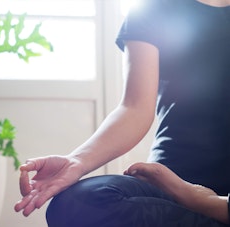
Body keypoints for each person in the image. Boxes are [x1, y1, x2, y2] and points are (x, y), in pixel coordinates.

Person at [15, 0, 230, 226]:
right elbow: (135, 107)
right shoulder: (152, 8)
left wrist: (209, 203)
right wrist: (76, 161)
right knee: (78, 204)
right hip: (171, 183)